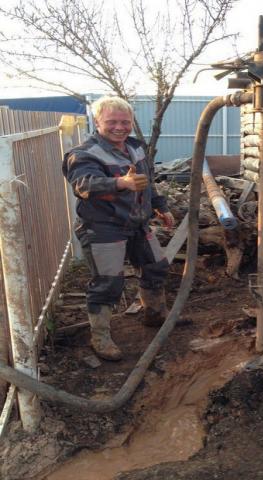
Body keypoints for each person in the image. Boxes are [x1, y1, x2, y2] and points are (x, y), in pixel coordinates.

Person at [63, 96, 174, 361]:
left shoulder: (134, 148)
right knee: (108, 283)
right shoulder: (84, 154)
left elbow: (147, 183)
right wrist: (120, 183)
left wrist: (160, 205)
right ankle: (100, 337)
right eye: (111, 121)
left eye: (125, 122)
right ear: (98, 121)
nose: (119, 127)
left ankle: (155, 315)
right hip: (104, 227)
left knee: (156, 266)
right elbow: (84, 185)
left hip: (137, 223)